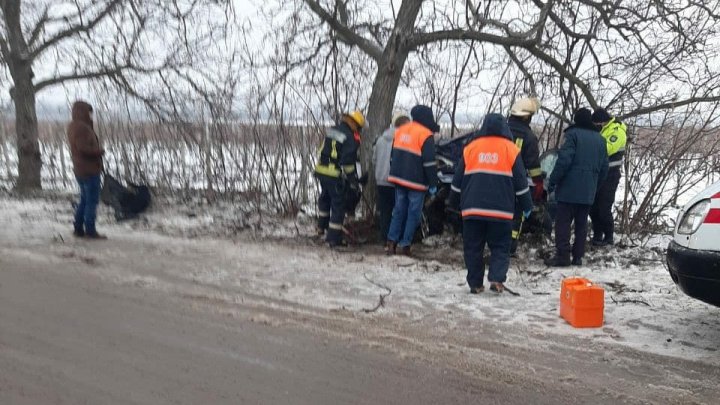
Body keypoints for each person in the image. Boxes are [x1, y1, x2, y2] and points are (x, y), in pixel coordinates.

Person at [448, 113, 532, 293]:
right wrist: (527, 205)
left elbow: (457, 180)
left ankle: (476, 284)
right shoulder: (511, 149)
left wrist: (453, 203)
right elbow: (521, 182)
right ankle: (496, 279)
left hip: (472, 209)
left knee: (473, 247)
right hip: (501, 211)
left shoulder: (471, 148)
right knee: (501, 246)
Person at [545, 108, 608, 267]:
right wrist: (595, 186)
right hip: (588, 190)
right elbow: (604, 168)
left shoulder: (572, 135)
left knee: (563, 223)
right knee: (581, 224)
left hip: (568, 189)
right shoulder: (600, 140)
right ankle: (578, 256)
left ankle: (563, 256)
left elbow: (563, 161)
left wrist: (553, 181)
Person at [386, 105, 439, 256]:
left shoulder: (401, 130)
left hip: (398, 178)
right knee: (413, 214)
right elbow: (429, 163)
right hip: (416, 182)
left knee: (398, 210)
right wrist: (433, 184)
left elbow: (392, 157)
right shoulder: (425, 134)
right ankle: (405, 244)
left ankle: (391, 242)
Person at [315, 111, 364, 248]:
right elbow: (347, 162)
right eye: (359, 127)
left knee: (325, 199)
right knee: (338, 205)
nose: (359, 130)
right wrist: (353, 179)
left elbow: (321, 150)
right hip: (333, 173)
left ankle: (321, 228)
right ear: (354, 124)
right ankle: (333, 238)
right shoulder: (350, 137)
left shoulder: (332, 131)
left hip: (321, 170)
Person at [507, 97, 543, 254]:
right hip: (516, 183)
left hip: (495, 180)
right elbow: (533, 165)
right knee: (516, 215)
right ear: (527, 116)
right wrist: (538, 183)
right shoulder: (528, 137)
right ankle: (510, 247)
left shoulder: (502, 129)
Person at [68, 100, 106, 239]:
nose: (91, 115)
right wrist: (98, 152)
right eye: (89, 112)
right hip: (88, 169)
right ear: (82, 112)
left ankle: (78, 228)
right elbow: (83, 148)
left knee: (84, 200)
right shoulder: (81, 128)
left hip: (80, 168)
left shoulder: (74, 126)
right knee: (91, 201)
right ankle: (90, 230)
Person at [590, 108, 627, 246]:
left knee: (604, 207)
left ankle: (609, 236)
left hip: (610, 174)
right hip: (598, 174)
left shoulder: (617, 131)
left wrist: (591, 143)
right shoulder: (603, 129)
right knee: (593, 206)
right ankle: (597, 235)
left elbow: (608, 148)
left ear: (601, 122)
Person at [372, 112, 410, 241]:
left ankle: (384, 238)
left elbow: (374, 160)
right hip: (396, 181)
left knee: (385, 211)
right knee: (399, 212)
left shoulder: (380, 139)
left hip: (381, 180)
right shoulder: (404, 139)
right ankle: (396, 239)